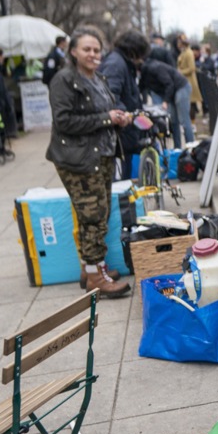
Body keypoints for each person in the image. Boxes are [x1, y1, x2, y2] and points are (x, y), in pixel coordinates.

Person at [46, 27, 132, 298]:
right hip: (78, 159)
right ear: (73, 51)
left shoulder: (99, 78)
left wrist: (118, 118)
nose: (93, 54)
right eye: (87, 49)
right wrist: (107, 118)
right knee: (93, 216)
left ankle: (91, 269)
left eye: (96, 50)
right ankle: (97, 277)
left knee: (99, 215)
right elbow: (64, 121)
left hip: (102, 155)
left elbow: (101, 114)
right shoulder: (64, 80)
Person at [98, 30, 148, 162]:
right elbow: (110, 95)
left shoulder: (120, 62)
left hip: (126, 127)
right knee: (121, 177)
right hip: (122, 129)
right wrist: (125, 116)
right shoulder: (116, 64)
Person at [140, 56, 194, 149]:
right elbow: (141, 87)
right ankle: (177, 149)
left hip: (181, 87)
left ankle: (191, 149)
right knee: (173, 122)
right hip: (173, 92)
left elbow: (169, 84)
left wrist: (165, 101)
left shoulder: (155, 68)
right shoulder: (146, 72)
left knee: (184, 121)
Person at [175, 34, 203, 120]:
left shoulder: (189, 53)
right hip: (185, 81)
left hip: (189, 81)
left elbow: (192, 68)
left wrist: (180, 72)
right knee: (188, 103)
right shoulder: (183, 52)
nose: (177, 43)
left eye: (179, 41)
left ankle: (192, 123)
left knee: (191, 104)